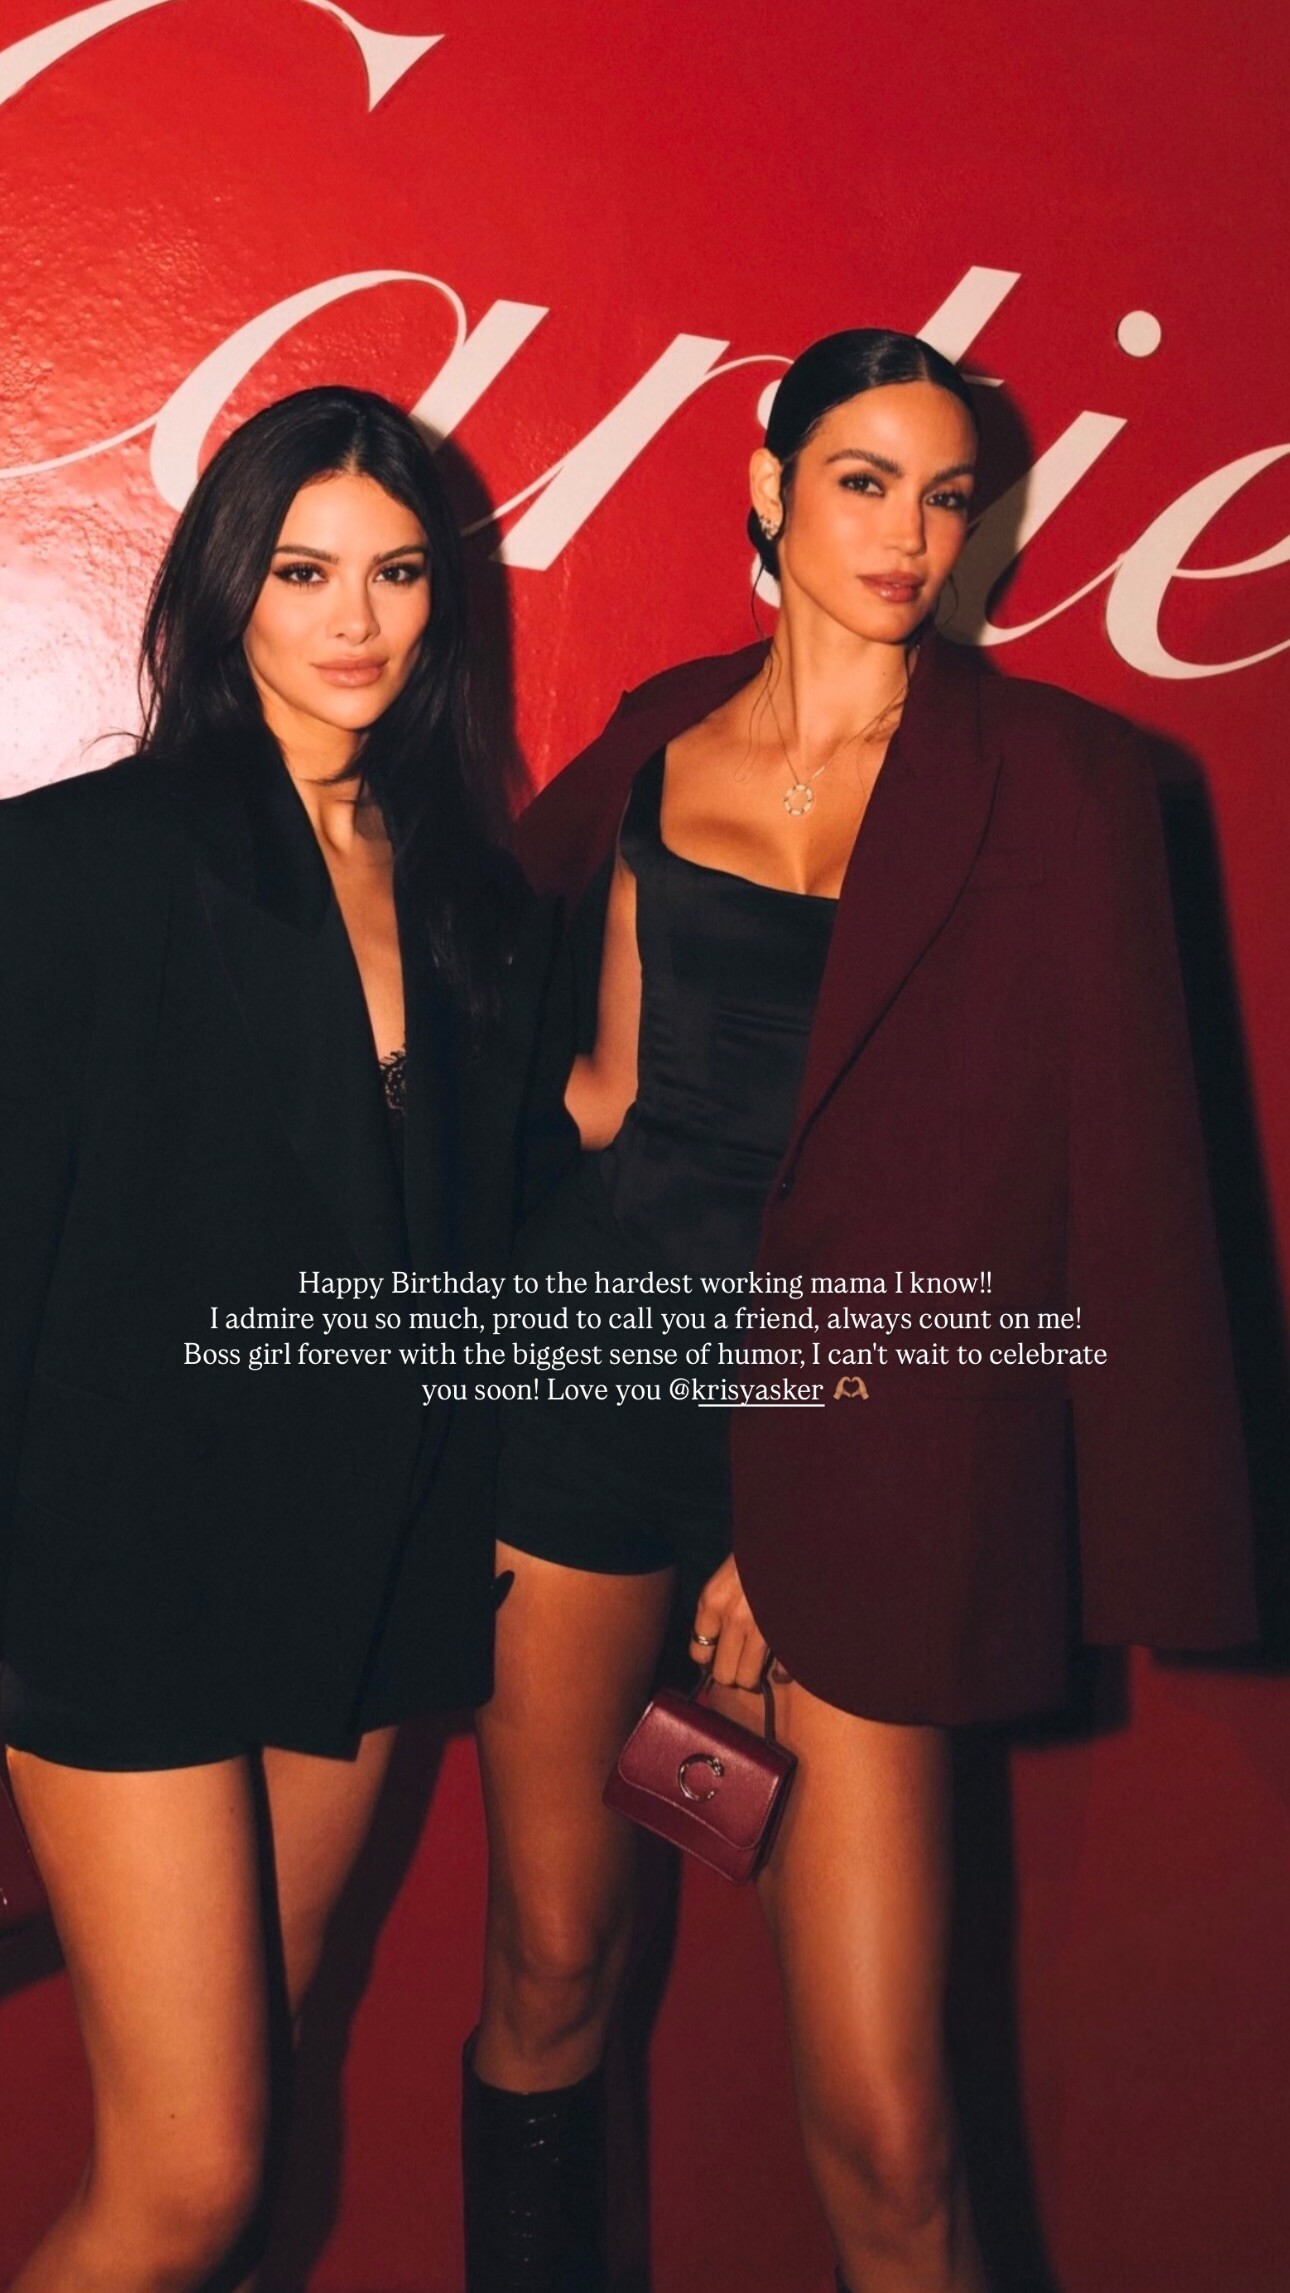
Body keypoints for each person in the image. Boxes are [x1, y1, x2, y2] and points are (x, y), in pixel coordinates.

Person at [467, 331, 1258, 2293]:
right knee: (549, 1969)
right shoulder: (663, 735)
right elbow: (583, 1080)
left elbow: (1073, 1192)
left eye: (944, 492)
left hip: (862, 1442)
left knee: (892, 2128)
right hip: (587, 1405)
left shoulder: (1060, 781)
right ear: (767, 487)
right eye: (861, 480)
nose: (909, 532)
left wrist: (807, 1484)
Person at [0, 386, 565, 2292]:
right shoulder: (79, 862)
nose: (356, 619)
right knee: (191, 2178)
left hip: (359, 1578)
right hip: (120, 1578)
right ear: (226, 583)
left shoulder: (476, 898)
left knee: (270, 2072)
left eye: (397, 573)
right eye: (306, 569)